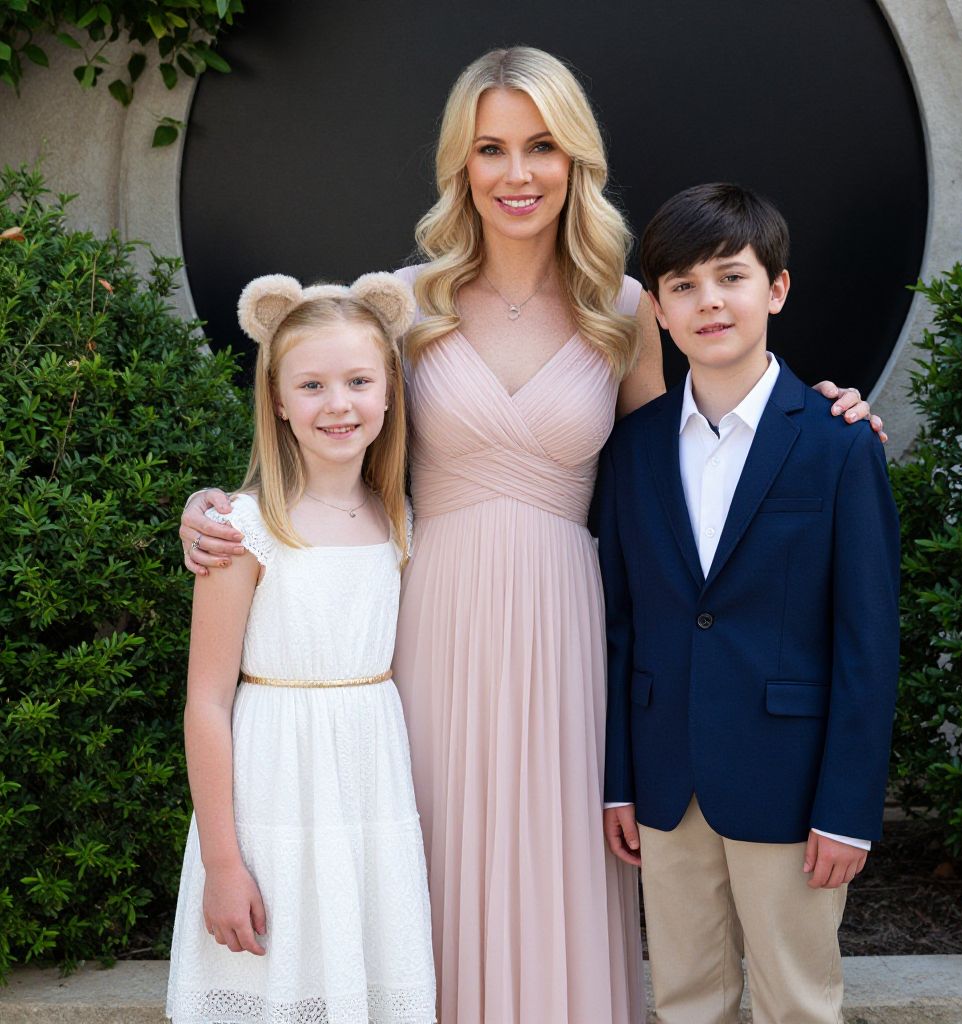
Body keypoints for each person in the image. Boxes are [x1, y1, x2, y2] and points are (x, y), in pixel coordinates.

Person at [178, 49, 883, 1024]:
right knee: (429, 869)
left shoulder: (625, 309)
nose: (518, 172)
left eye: (542, 146)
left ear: (575, 159)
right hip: (430, 629)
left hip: (567, 633)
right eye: (491, 149)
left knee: (560, 872)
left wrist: (824, 413)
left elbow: (673, 474)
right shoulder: (403, 301)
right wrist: (219, 504)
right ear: (460, 165)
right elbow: (325, 443)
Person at [598, 182, 901, 1024]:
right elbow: (622, 626)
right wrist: (619, 781)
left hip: (791, 782)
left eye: (731, 277)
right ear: (659, 312)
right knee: (685, 997)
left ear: (776, 288)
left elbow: (867, 644)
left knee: (795, 1000)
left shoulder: (839, 444)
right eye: (683, 285)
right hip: (665, 780)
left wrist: (849, 810)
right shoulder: (632, 449)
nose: (709, 301)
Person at [165, 272, 435, 1024]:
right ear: (278, 400)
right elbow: (206, 701)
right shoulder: (242, 529)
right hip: (273, 793)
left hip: (369, 790)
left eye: (358, 381)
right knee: (275, 983)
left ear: (389, 393)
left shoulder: (400, 518)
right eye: (311, 385)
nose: (337, 404)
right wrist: (223, 863)